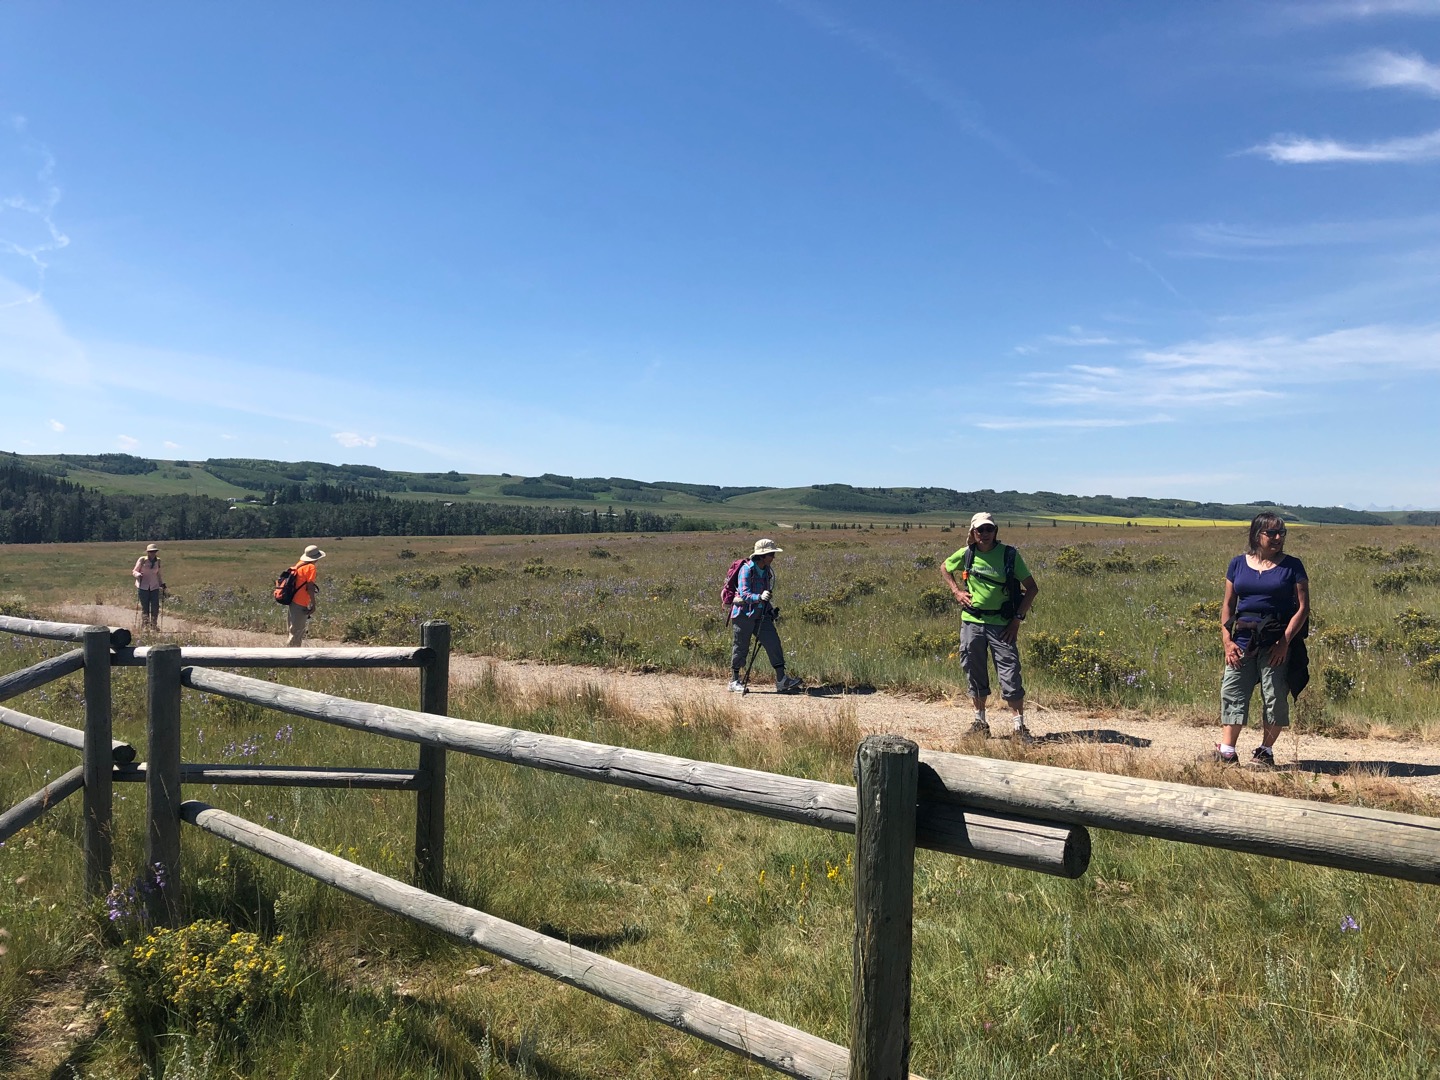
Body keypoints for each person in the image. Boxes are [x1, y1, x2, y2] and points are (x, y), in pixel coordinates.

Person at [1216, 513, 1309, 766]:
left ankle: (1265, 752)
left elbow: (1303, 608)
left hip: (1276, 640)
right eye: (1272, 533)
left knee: (1274, 694)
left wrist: (1284, 642)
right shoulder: (1237, 564)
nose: (1278, 537)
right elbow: (1228, 604)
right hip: (1241, 640)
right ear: (1257, 535)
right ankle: (1227, 751)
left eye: (1282, 532)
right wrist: (1227, 640)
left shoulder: (1293, 566)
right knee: (1232, 689)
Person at [941, 513, 1039, 741]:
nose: (985, 534)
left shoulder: (1009, 555)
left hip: (1002, 625)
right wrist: (956, 592)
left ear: (995, 531)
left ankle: (1019, 728)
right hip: (972, 622)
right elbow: (944, 567)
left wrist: (1016, 620)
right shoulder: (967, 554)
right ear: (973, 533)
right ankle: (980, 723)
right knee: (973, 670)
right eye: (980, 530)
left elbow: (1032, 588)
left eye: (989, 529)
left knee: (1010, 672)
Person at [728, 538, 802, 694]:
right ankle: (734, 681)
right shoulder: (746, 570)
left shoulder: (767, 571)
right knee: (740, 647)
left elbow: (766, 595)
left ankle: (781, 680)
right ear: (762, 556)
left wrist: (769, 609)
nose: (774, 557)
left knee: (773, 643)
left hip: (761, 615)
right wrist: (759, 597)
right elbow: (744, 594)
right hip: (743, 614)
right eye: (771, 554)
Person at [285, 544, 326, 647]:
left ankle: (290, 652)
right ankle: (292, 655)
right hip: (301, 602)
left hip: (293, 600)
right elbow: (310, 587)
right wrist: (313, 604)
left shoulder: (299, 564)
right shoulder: (311, 567)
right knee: (297, 633)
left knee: (293, 630)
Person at [131, 543, 166, 630]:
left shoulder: (158, 561)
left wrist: (161, 583)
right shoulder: (142, 560)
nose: (152, 553)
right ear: (147, 552)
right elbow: (134, 571)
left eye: (154, 551)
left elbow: (158, 573)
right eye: (151, 551)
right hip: (143, 586)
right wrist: (138, 574)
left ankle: (154, 625)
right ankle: (145, 626)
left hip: (154, 586)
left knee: (155, 607)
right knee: (145, 608)